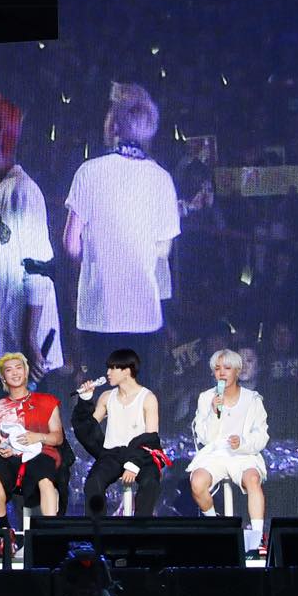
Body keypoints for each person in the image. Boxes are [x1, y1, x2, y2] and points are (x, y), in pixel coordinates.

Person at [62, 83, 179, 386]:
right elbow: (163, 250)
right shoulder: (162, 179)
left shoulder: (89, 172)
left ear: (114, 123)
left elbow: (70, 244)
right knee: (137, 398)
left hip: (99, 309)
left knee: (102, 397)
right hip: (143, 312)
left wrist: (95, 262)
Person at [0, 94, 63, 395]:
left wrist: (30, 338)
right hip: (3, 337)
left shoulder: (24, 192)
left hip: (27, 344)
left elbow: (38, 271)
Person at [188, 349, 269, 553]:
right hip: (215, 453)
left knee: (252, 479)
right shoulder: (206, 398)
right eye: (217, 368)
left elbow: (262, 436)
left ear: (237, 371)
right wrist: (214, 412)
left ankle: (257, 537)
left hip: (243, 454)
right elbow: (204, 437)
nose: (222, 373)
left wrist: (242, 442)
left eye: (227, 368)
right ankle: (215, 526)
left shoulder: (252, 399)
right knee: (197, 482)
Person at [72, 349, 166, 516]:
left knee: (150, 483)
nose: (108, 373)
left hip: (142, 454)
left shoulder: (148, 398)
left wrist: (133, 464)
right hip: (112, 455)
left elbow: (151, 438)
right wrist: (85, 400)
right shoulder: (107, 397)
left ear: (127, 371)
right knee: (93, 483)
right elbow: (88, 428)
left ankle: (141, 528)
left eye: (113, 368)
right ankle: (98, 528)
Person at [0, 353, 63, 540]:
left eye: (19, 368)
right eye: (9, 370)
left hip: (40, 452)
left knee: (45, 480)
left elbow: (57, 437)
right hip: (9, 456)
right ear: (3, 377)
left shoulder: (47, 402)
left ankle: (51, 535)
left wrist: (38, 437)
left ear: (26, 372)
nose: (15, 373)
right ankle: (5, 531)